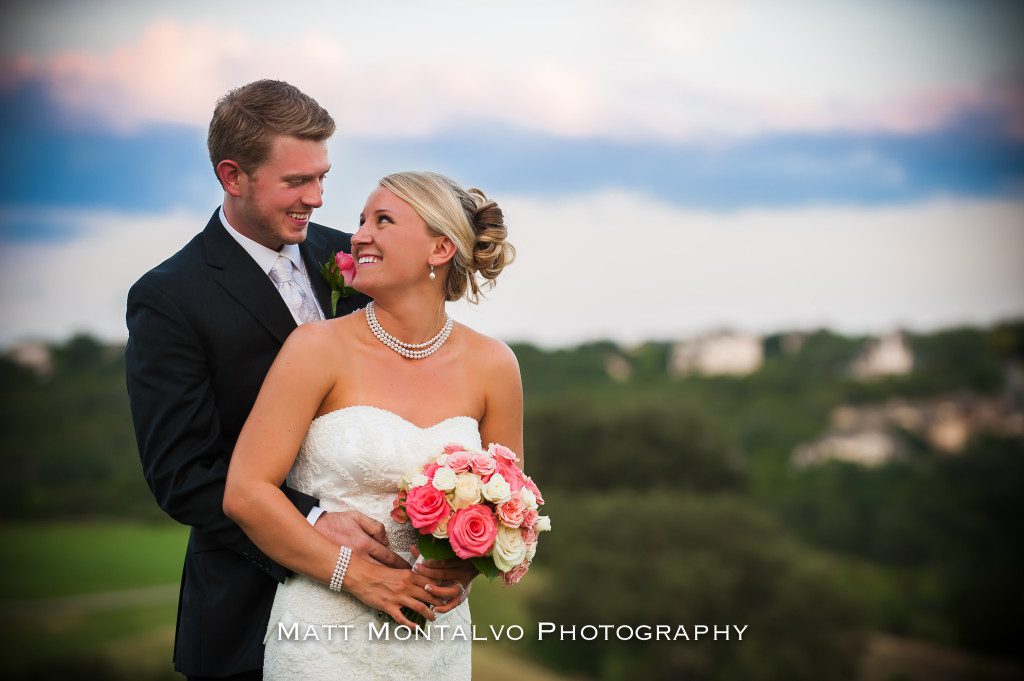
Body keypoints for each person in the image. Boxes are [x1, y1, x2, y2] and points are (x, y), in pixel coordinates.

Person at [125, 80, 412, 681]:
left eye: (322, 177)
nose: (316, 198)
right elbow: (183, 474)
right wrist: (311, 525)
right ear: (233, 177)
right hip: (247, 610)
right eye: (296, 182)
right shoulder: (170, 298)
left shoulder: (353, 256)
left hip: (391, 602)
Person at [223, 171, 522, 680]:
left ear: (441, 248)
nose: (358, 234)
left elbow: (512, 507)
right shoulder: (317, 349)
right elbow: (246, 493)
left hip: (435, 639)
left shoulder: (493, 365)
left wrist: (467, 565)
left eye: (382, 220)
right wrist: (354, 575)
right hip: (323, 637)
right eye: (362, 220)